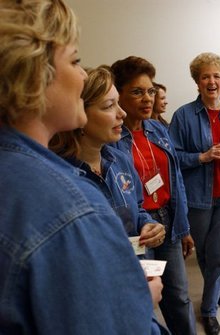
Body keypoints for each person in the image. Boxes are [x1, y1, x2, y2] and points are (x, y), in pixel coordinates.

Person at [0, 1, 161, 333]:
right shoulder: (72, 209)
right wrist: (136, 302)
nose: (83, 73)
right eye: (74, 60)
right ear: (33, 74)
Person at [50, 65, 168, 334]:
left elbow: (137, 208)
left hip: (136, 274)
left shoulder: (121, 160)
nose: (122, 113)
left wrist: (149, 224)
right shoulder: (60, 178)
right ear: (78, 114)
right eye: (109, 106)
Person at [110, 56, 197, 335]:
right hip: (138, 231)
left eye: (150, 91)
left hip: (168, 222)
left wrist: (183, 228)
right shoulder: (111, 139)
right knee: (144, 297)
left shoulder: (158, 130)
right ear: (118, 94)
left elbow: (177, 182)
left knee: (179, 296)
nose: (147, 99)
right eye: (137, 92)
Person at [169, 52, 220, 335]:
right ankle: (217, 292)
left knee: (218, 255)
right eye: (205, 76)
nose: (211, 81)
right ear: (197, 82)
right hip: (197, 199)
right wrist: (202, 157)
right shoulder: (183, 116)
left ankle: (209, 309)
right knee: (204, 254)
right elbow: (174, 158)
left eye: (216, 76)